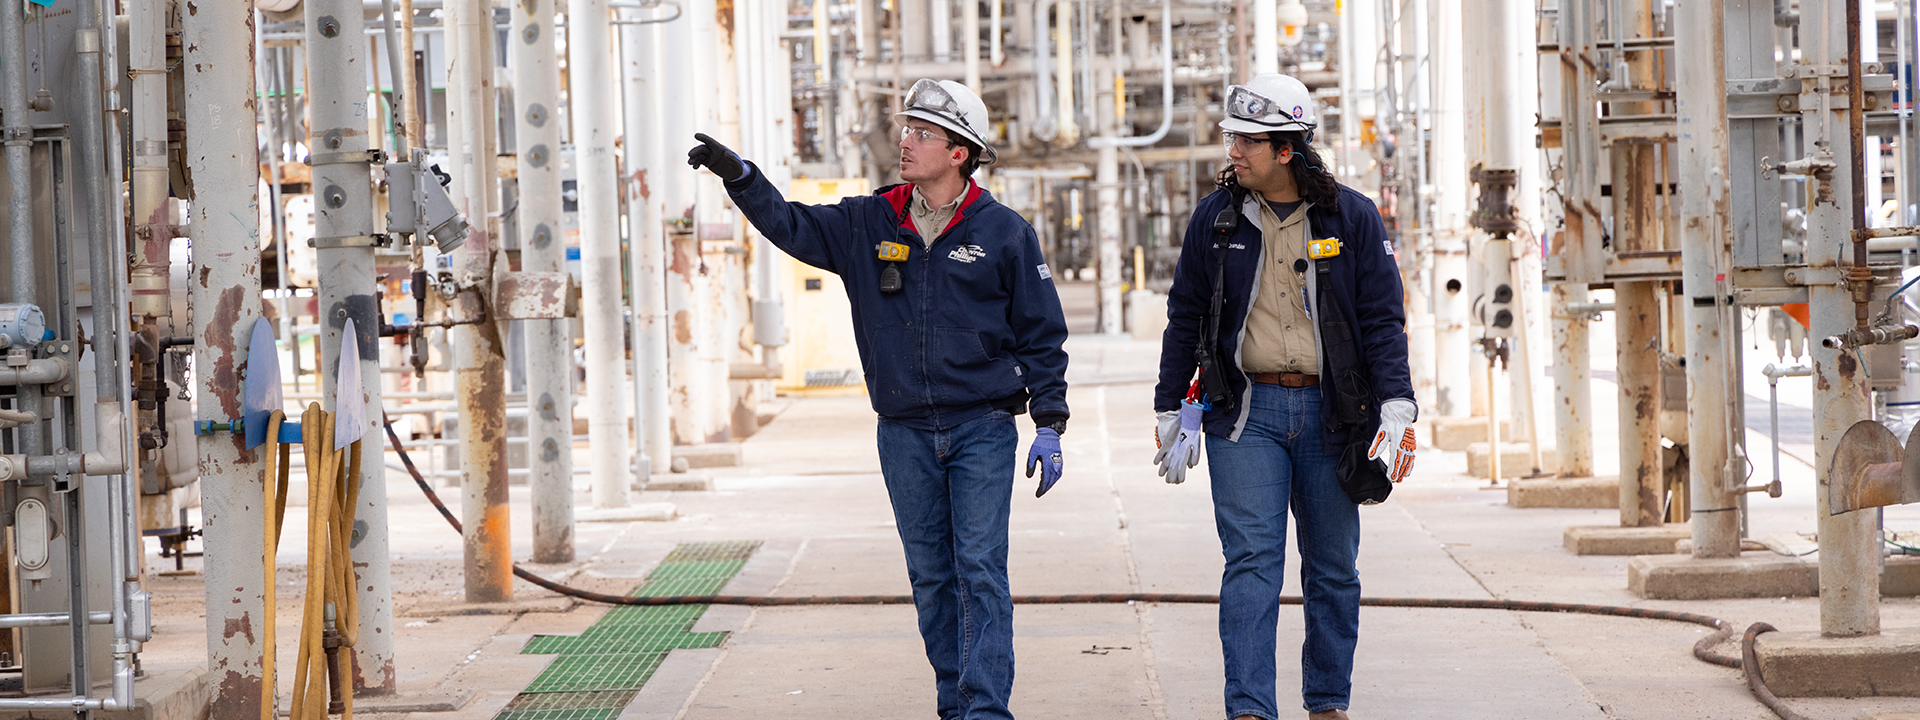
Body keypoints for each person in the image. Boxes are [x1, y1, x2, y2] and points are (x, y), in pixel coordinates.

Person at [687, 78, 1070, 720]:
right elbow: (792, 224)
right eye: (906, 129)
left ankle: (984, 710)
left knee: (980, 570)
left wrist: (1049, 420)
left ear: (959, 153)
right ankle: (954, 702)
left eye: (922, 133)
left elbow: (1041, 332)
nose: (905, 141)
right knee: (932, 577)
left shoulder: (1005, 233)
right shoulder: (868, 221)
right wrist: (741, 178)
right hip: (903, 432)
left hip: (981, 426)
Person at [1152, 73, 1417, 720]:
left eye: (1248, 141)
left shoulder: (1351, 217)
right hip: (1246, 415)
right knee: (1251, 563)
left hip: (1335, 417)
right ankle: (1249, 709)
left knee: (1333, 567)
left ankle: (1327, 703)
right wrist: (1169, 405)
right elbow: (1185, 316)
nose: (1234, 151)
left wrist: (1397, 404)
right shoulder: (1216, 220)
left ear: (1286, 148)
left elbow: (1382, 319)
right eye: (1233, 138)